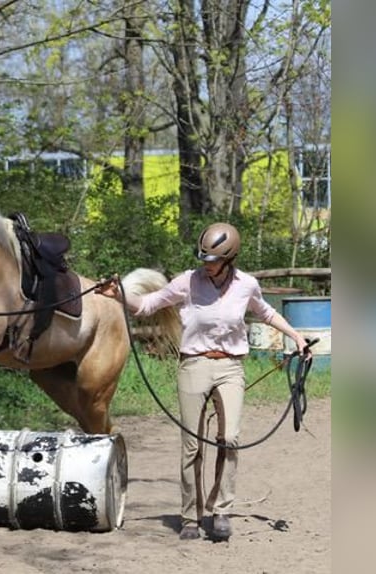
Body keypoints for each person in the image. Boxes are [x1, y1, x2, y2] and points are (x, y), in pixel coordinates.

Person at [96, 222, 311, 541]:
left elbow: (265, 313)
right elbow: (147, 306)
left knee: (231, 438)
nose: (206, 265)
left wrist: (297, 337)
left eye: (212, 261)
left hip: (230, 367)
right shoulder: (188, 281)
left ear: (229, 258)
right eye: (203, 259)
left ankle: (222, 510)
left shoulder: (246, 285)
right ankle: (190, 517)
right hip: (194, 364)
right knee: (192, 445)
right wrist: (121, 295)